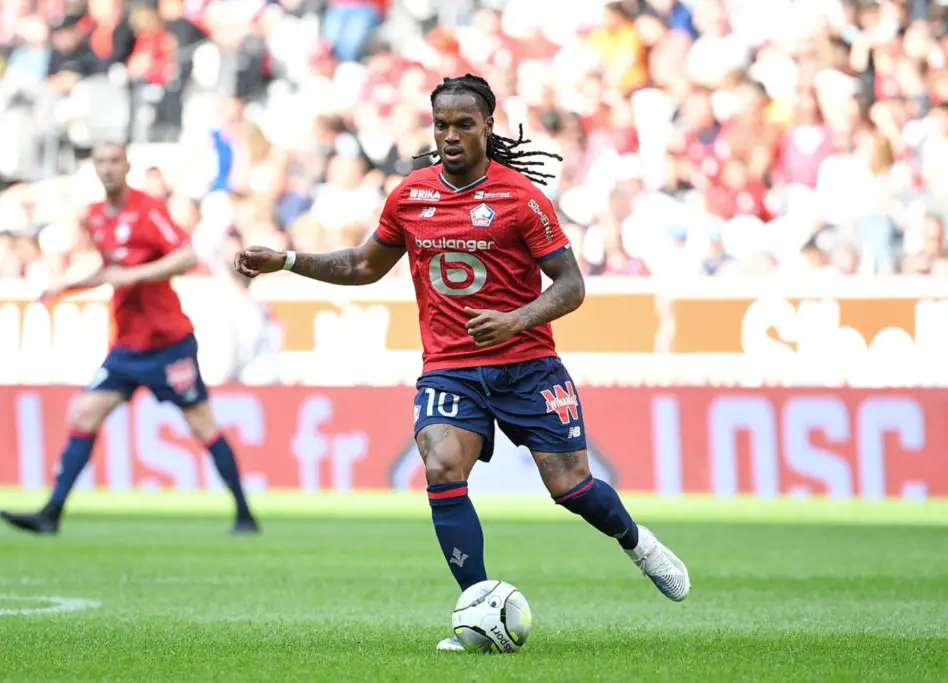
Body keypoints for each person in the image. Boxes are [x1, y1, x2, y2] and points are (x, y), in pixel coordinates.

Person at [233, 74, 689, 651]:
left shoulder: (520, 198)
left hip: (527, 364)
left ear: (487, 126)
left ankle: (637, 544)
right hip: (451, 367)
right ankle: (478, 610)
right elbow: (363, 265)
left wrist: (516, 319)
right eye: (441, 124)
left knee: (569, 486)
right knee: (443, 466)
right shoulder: (410, 196)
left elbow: (571, 285)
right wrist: (287, 260)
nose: (450, 135)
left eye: (463, 124)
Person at [0, 142, 259, 535]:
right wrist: (65, 287)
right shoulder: (96, 216)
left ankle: (244, 514)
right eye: (100, 162)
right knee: (84, 414)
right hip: (126, 345)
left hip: (167, 342)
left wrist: (136, 275)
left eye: (113, 161)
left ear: (126, 166)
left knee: (202, 424)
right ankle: (51, 513)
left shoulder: (148, 210)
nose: (107, 168)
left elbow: (187, 256)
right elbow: (110, 269)